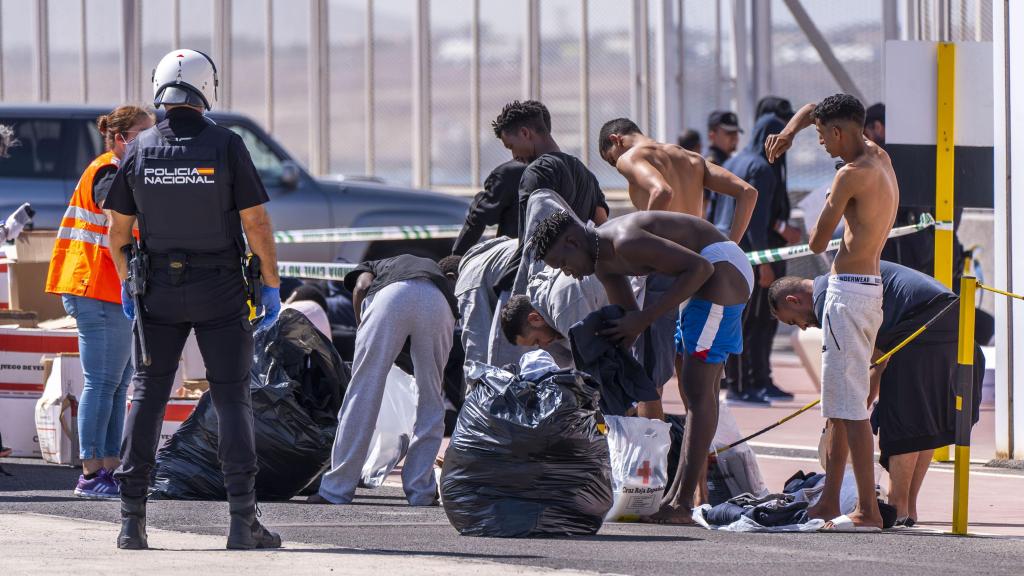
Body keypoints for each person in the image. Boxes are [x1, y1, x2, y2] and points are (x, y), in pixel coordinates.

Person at [107, 49, 282, 550]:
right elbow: (256, 223)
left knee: (147, 393)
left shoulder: (139, 149)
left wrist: (127, 283)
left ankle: (131, 522)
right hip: (221, 289)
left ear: (160, 89)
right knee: (231, 397)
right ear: (208, 89)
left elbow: (118, 230)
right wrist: (270, 281)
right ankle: (241, 521)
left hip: (157, 290)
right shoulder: (226, 146)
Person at [527, 209, 754, 523]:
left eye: (563, 263)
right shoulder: (603, 264)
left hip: (721, 268)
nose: (567, 272)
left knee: (698, 392)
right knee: (696, 390)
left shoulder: (624, 241)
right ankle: (675, 499)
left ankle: (683, 504)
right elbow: (630, 319)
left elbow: (698, 268)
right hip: (708, 277)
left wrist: (644, 318)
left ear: (572, 241)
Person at [765, 93, 899, 531]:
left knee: (851, 409)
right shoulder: (879, 156)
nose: (820, 143)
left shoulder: (849, 176)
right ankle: (829, 501)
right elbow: (814, 108)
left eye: (822, 137)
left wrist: (830, 201)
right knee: (842, 406)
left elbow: (818, 242)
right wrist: (790, 132)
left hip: (848, 294)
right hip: (869, 289)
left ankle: (867, 510)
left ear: (840, 132)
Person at [769, 261, 984, 527]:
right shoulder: (843, 279)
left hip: (925, 321)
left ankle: (896, 507)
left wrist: (850, 415)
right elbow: (876, 361)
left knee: (903, 420)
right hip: (952, 318)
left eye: (794, 321)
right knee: (923, 419)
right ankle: (906, 510)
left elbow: (857, 373)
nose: (803, 327)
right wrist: (859, 406)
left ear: (794, 299)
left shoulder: (831, 298)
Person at [597, 117, 757, 406]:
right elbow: (747, 192)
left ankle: (651, 450)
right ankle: (702, 449)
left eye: (612, 161)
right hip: (703, 265)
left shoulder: (631, 156)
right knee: (697, 376)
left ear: (616, 140)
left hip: (666, 267)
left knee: (649, 376)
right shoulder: (691, 158)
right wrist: (730, 244)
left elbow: (662, 191)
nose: (618, 168)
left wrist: (645, 243)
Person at [45, 105, 155, 499]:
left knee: (117, 383)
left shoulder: (119, 170)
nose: (152, 140)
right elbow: (119, 225)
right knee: (103, 382)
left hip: (109, 288)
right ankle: (92, 472)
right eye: (144, 133)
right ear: (122, 138)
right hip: (95, 285)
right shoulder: (109, 171)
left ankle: (108, 467)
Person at [310, 254, 458, 507]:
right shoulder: (441, 283)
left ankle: (337, 490)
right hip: (438, 304)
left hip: (391, 297)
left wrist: (363, 328)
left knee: (362, 392)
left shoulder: (377, 265)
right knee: (431, 398)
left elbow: (362, 287)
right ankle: (420, 490)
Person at [714, 112, 800, 405]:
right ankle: (742, 386)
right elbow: (756, 220)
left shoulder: (734, 162)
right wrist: (764, 263)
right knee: (751, 322)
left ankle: (742, 382)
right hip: (751, 254)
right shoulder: (762, 168)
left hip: (725, 247)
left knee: (734, 319)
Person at [491, 100, 609, 295]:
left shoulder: (536, 172)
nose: (514, 155)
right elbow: (602, 227)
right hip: (578, 281)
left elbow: (530, 241)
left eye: (511, 146)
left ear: (525, 133)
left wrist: (514, 291)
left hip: (540, 286)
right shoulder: (587, 175)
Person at [500, 268, 607, 367]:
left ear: (535, 319)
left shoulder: (563, 308)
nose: (543, 345)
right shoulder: (542, 302)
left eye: (537, 340)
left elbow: (600, 362)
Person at [451, 237, 518, 371]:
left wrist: (477, 388)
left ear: (451, 278)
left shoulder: (466, 282)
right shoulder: (491, 255)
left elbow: (477, 352)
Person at [451, 160, 526, 256]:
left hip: (514, 259)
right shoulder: (549, 168)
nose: (514, 154)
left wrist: (457, 256)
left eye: (511, 146)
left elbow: (480, 215)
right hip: (547, 260)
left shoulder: (511, 172)